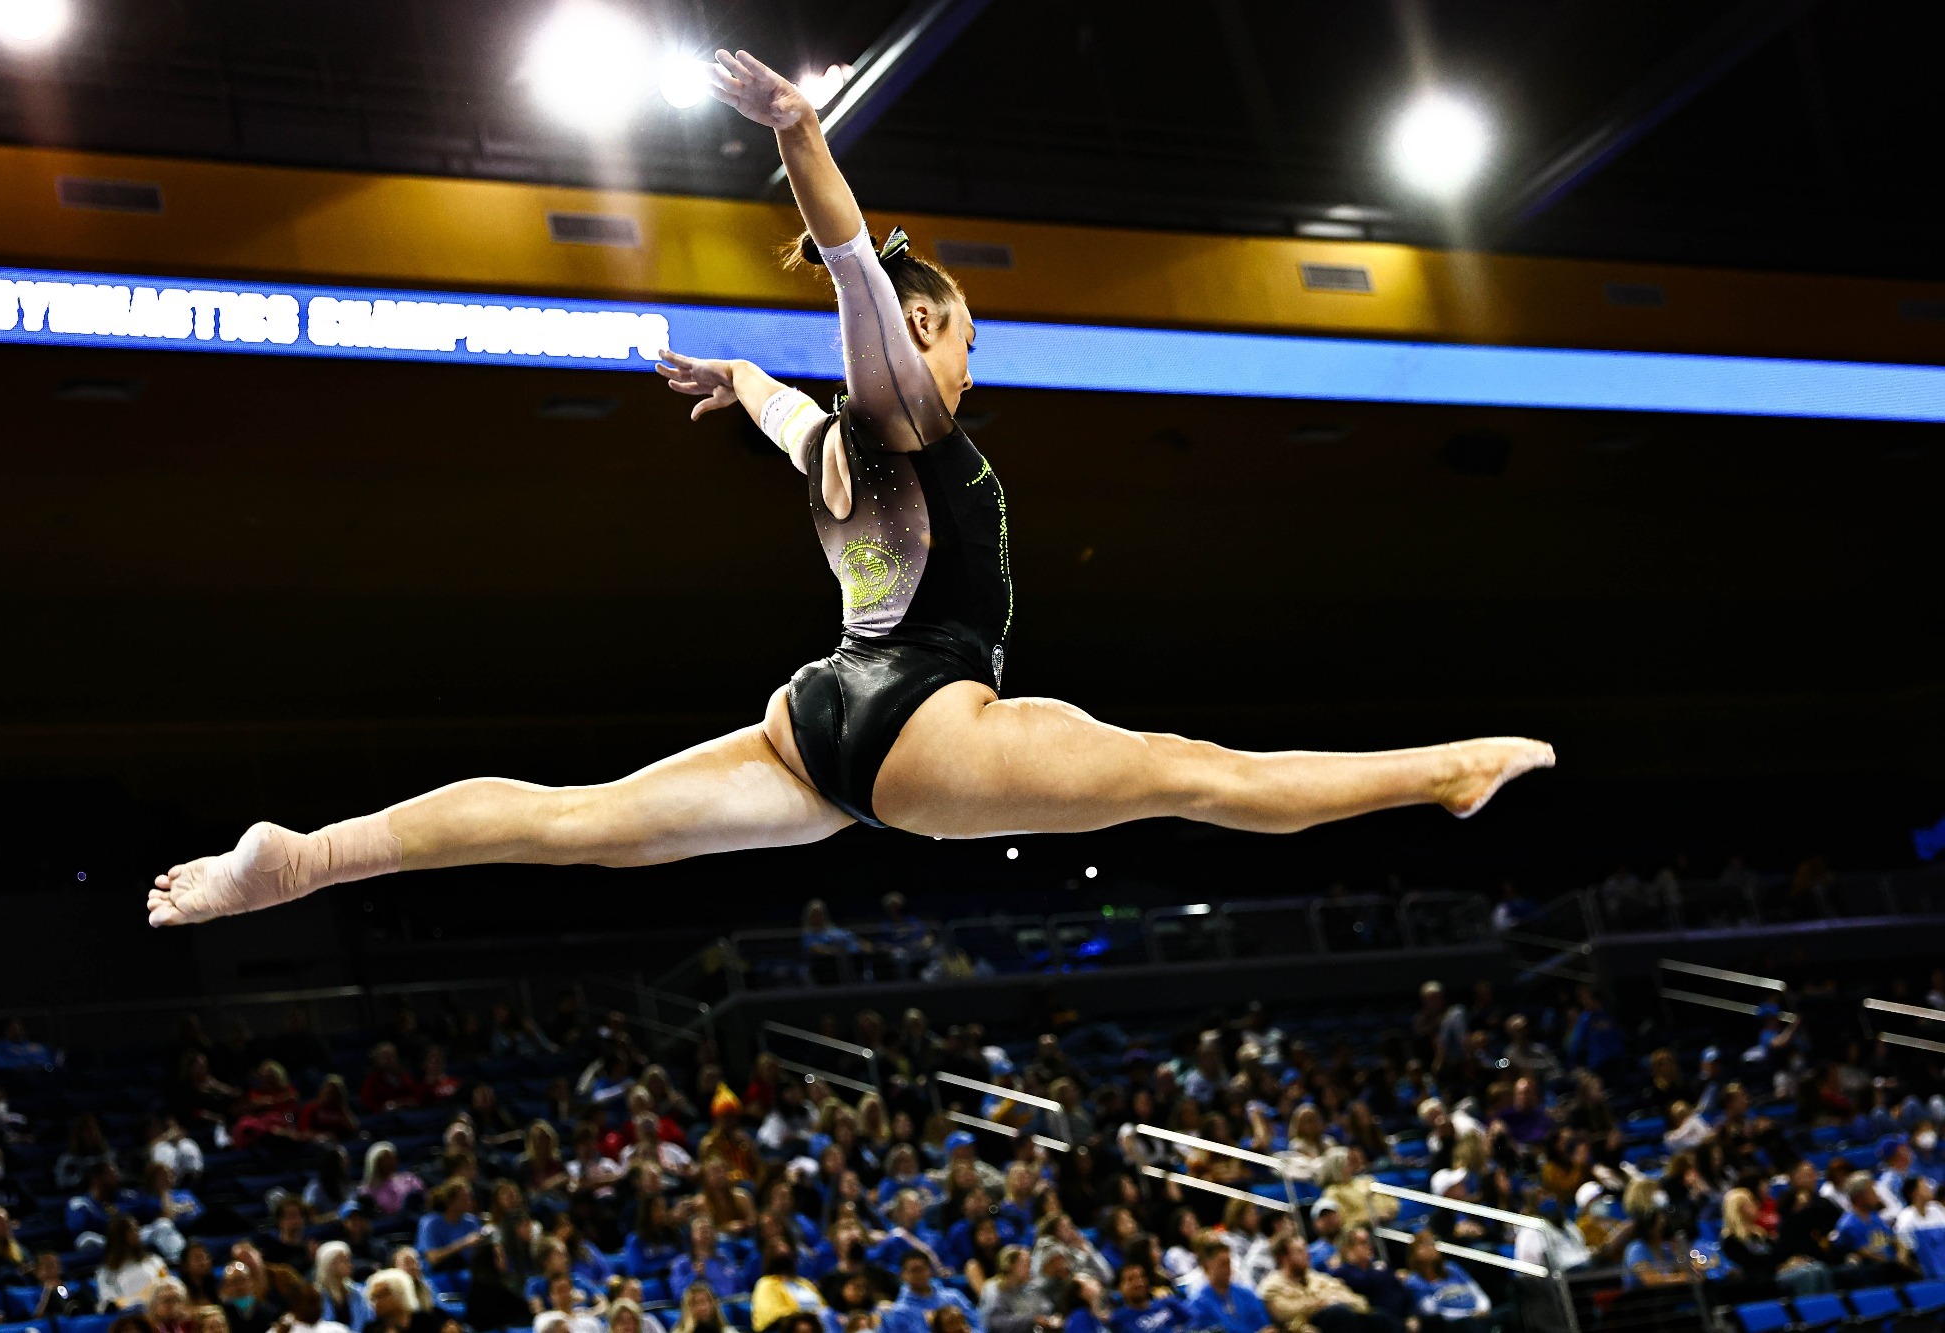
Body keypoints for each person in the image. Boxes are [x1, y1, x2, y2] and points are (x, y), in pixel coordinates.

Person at [142, 51, 1552, 930]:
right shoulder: (904, 411)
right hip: (930, 714)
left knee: (576, 825)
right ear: (937, 341)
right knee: (1194, 776)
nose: (966, 363)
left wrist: (729, 385)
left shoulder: (829, 441)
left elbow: (775, 401)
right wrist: (805, 138)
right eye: (968, 339)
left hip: (813, 719)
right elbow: (860, 276)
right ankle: (1445, 771)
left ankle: (315, 859)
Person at [1256, 1238, 1394, 1333]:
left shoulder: (1316, 1277)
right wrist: (1322, 1302)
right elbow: (1285, 1312)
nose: (1307, 1254)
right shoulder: (1271, 1286)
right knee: (1338, 1313)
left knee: (1379, 1317)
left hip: (1340, 1317)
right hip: (1305, 1326)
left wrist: (1335, 1300)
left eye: (1305, 1250)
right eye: (1299, 1251)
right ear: (1283, 1257)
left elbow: (1355, 1299)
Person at [1718, 1188, 1832, 1298]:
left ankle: (1832, 1311)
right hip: (1763, 1279)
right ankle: (1809, 1312)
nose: (1756, 1205)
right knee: (1807, 1275)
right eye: (1750, 1203)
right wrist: (1780, 1267)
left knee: (1819, 1268)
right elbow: (1750, 1265)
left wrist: (1790, 1261)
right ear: (1739, 1210)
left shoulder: (1758, 1234)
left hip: (1777, 1271)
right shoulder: (1731, 1240)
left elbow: (1776, 1253)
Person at [1398, 1231, 1492, 1329]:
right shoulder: (1414, 1282)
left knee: (1506, 1313)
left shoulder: (1452, 1268)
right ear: (1414, 1253)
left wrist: (1483, 1308)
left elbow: (1476, 1290)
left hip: (1478, 1314)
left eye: (1432, 1244)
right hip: (1453, 1324)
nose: (1431, 1247)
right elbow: (1432, 1312)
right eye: (1424, 1245)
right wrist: (1469, 1314)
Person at [1322, 1230, 1412, 1329]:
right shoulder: (1342, 1272)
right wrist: (1382, 1272)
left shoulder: (1379, 1267)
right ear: (1348, 1249)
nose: (1369, 1246)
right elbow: (1364, 1282)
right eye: (1362, 1243)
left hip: (1398, 1318)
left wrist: (1409, 1315)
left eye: (1369, 1241)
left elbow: (1400, 1291)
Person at [880, 1253, 981, 1333]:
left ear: (930, 1270)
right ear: (903, 1275)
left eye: (922, 1269)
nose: (919, 1274)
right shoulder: (899, 1312)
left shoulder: (953, 1297)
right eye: (914, 1270)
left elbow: (979, 1324)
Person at [1183, 1241, 1270, 1333]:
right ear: (1207, 1266)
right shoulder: (1198, 1304)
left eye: (1229, 1263)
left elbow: (1265, 1325)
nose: (1228, 1269)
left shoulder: (1247, 1294)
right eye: (1222, 1264)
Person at [98, 1215, 172, 1311]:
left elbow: (168, 1286)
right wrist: (140, 1301)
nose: (137, 1235)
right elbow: (110, 1304)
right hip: (131, 1317)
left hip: (161, 1311)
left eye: (137, 1230)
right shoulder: (106, 1273)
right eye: (132, 1231)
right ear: (119, 1238)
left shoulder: (154, 1261)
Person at [978, 1246, 1057, 1333]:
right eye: (1026, 1264)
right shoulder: (994, 1290)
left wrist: (1049, 1319)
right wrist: (1031, 1320)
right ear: (1011, 1266)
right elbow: (994, 1323)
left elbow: (1046, 1307)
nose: (1030, 1269)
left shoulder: (1028, 1286)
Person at [751, 1242, 826, 1332]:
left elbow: (824, 1306)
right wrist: (804, 1315)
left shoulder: (804, 1283)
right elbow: (771, 1315)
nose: (784, 1253)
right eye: (780, 1253)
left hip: (818, 1323)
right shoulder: (765, 1284)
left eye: (787, 1253)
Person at [1104, 1262, 1189, 1333]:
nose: (1139, 1283)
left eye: (1141, 1277)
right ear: (1120, 1288)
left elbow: (1196, 1319)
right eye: (1130, 1279)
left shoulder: (1167, 1302)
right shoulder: (1119, 1320)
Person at [363, 1268, 452, 1333]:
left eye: (380, 1296)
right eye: (373, 1298)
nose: (375, 1303)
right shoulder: (372, 1329)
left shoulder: (428, 1320)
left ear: (399, 1293)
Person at [317, 1241, 373, 1330]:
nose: (350, 1265)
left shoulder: (358, 1292)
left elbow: (369, 1319)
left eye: (349, 1260)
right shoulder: (317, 1296)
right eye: (344, 1260)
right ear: (329, 1265)